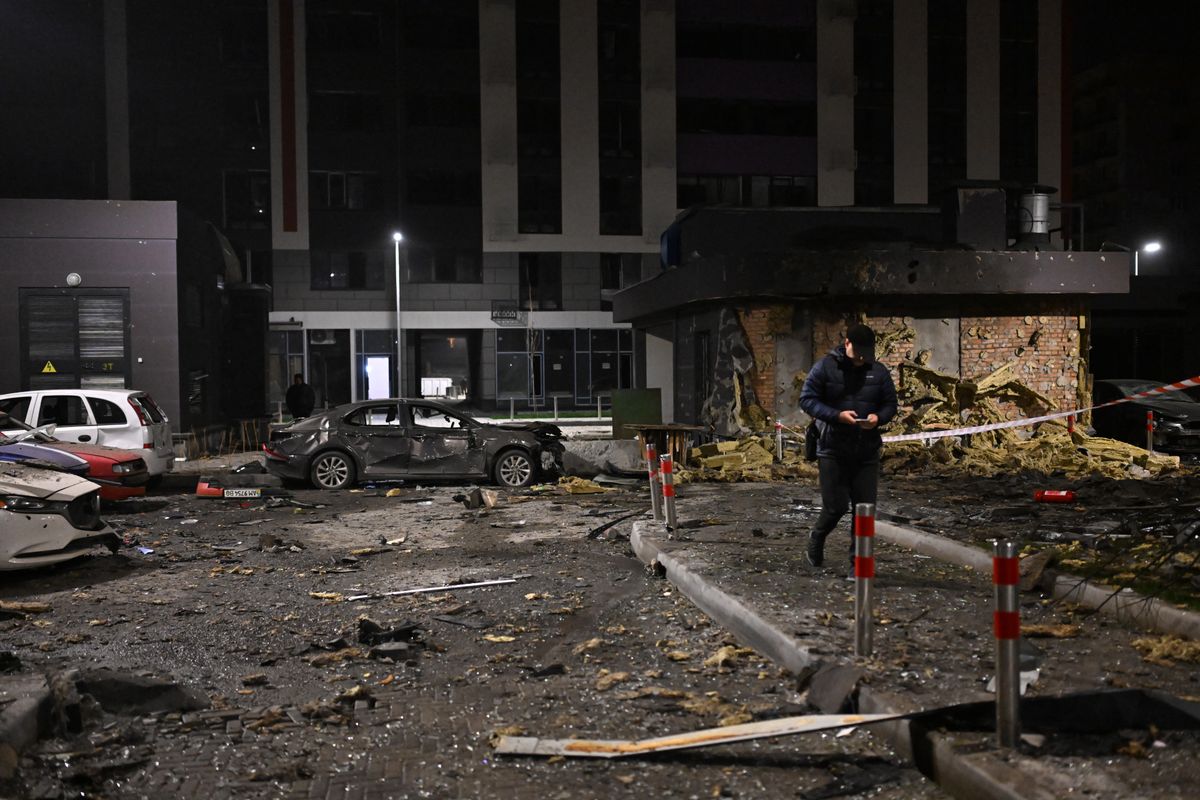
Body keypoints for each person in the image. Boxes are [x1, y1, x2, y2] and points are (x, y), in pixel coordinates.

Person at [799, 323, 898, 572]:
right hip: (832, 449)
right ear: (847, 344)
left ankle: (859, 566)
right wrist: (836, 416)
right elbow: (807, 399)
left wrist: (878, 418)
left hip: (866, 451)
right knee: (836, 506)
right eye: (858, 352)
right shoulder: (825, 367)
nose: (862, 358)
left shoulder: (878, 371)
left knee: (864, 511)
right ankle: (817, 537)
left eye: (867, 353)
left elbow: (890, 404)